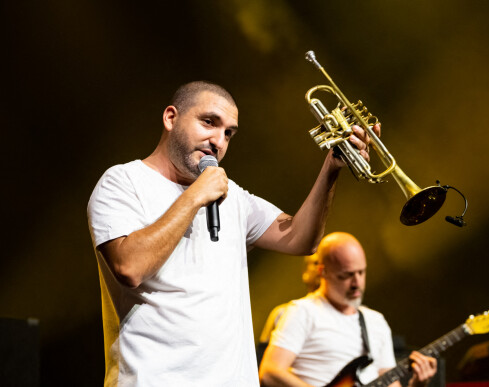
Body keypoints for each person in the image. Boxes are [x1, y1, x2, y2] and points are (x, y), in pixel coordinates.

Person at [87, 81, 378, 386]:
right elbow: (129, 267)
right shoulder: (122, 182)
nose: (218, 141)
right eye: (209, 122)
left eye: (229, 133)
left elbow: (300, 237)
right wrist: (195, 196)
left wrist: (331, 167)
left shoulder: (232, 197)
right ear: (171, 118)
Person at [259, 232, 437, 387]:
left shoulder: (376, 321)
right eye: (347, 275)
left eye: (361, 273)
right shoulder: (303, 311)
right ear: (323, 272)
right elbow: (269, 373)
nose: (357, 283)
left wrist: (417, 385)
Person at [257, 254, 321, 364]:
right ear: (305, 272)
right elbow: (260, 359)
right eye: (316, 263)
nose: (321, 269)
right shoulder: (282, 313)